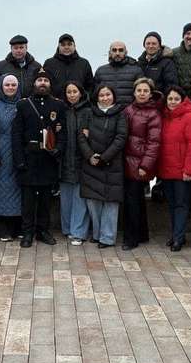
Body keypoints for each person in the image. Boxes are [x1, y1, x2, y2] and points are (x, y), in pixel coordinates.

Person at [12, 69, 66, 247]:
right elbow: (16, 134)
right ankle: (27, 233)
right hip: (28, 159)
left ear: (50, 84)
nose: (42, 83)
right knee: (27, 201)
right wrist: (19, 160)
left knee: (45, 201)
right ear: (34, 83)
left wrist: (58, 149)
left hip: (48, 160)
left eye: (46, 80)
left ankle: (43, 231)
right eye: (39, 80)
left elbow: (62, 132)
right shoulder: (23, 105)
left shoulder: (58, 105)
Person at [77, 84, 128, 248]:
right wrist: (90, 155)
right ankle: (97, 234)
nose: (105, 98)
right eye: (101, 95)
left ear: (113, 96)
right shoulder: (88, 113)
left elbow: (121, 138)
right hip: (91, 163)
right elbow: (81, 137)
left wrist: (104, 157)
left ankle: (107, 237)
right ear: (96, 97)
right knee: (93, 202)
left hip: (112, 164)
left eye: (108, 95)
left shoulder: (120, 114)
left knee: (111, 203)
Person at [157, 86, 191, 252]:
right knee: (172, 204)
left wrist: (189, 170)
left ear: (183, 100)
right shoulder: (164, 117)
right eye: (170, 99)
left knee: (181, 205)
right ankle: (176, 234)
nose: (173, 102)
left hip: (183, 172)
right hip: (167, 170)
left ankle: (178, 238)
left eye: (176, 99)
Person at [121, 78, 161, 250]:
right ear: (134, 92)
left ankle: (132, 238)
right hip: (125, 161)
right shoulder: (128, 110)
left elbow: (154, 143)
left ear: (151, 94)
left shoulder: (153, 114)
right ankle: (142, 233)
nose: (142, 94)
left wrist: (145, 165)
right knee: (136, 200)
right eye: (139, 90)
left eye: (145, 91)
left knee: (133, 202)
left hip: (139, 164)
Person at [0, 75, 23, 241]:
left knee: (17, 190)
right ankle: (1, 228)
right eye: (7, 85)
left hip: (18, 152)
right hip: (0, 152)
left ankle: (16, 227)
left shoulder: (23, 104)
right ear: (1, 86)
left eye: (13, 85)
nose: (10, 87)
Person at [59, 81, 91, 244]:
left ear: (81, 93)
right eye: (69, 92)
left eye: (74, 91)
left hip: (81, 160)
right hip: (65, 160)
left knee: (80, 200)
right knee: (66, 199)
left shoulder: (88, 111)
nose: (72, 95)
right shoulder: (62, 110)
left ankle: (78, 231)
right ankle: (67, 229)